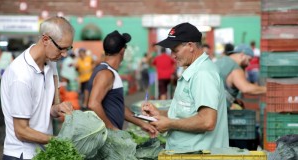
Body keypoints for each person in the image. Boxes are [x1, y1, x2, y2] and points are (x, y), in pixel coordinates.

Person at [0, 16, 75, 160]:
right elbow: (21, 131)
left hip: (41, 156)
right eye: (62, 48)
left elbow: (50, 107)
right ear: (45, 39)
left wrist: (58, 109)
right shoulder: (21, 76)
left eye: (68, 48)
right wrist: (58, 141)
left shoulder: (51, 63)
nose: (64, 54)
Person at [141, 22, 229, 151]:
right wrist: (159, 113)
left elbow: (207, 121)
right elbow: (186, 114)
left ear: (190, 46)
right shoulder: (194, 70)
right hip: (189, 158)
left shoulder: (203, 74)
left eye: (175, 50)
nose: (173, 55)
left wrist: (170, 123)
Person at [87, 30, 157, 136]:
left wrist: (143, 124)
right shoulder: (106, 74)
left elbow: (119, 108)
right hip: (106, 138)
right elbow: (93, 104)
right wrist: (111, 128)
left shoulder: (108, 71)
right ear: (122, 51)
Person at [215, 44, 266, 109]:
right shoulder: (235, 68)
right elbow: (245, 88)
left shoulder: (221, 61)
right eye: (249, 60)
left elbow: (221, 87)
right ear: (242, 55)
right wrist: (267, 89)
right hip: (217, 111)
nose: (249, 64)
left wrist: (234, 100)